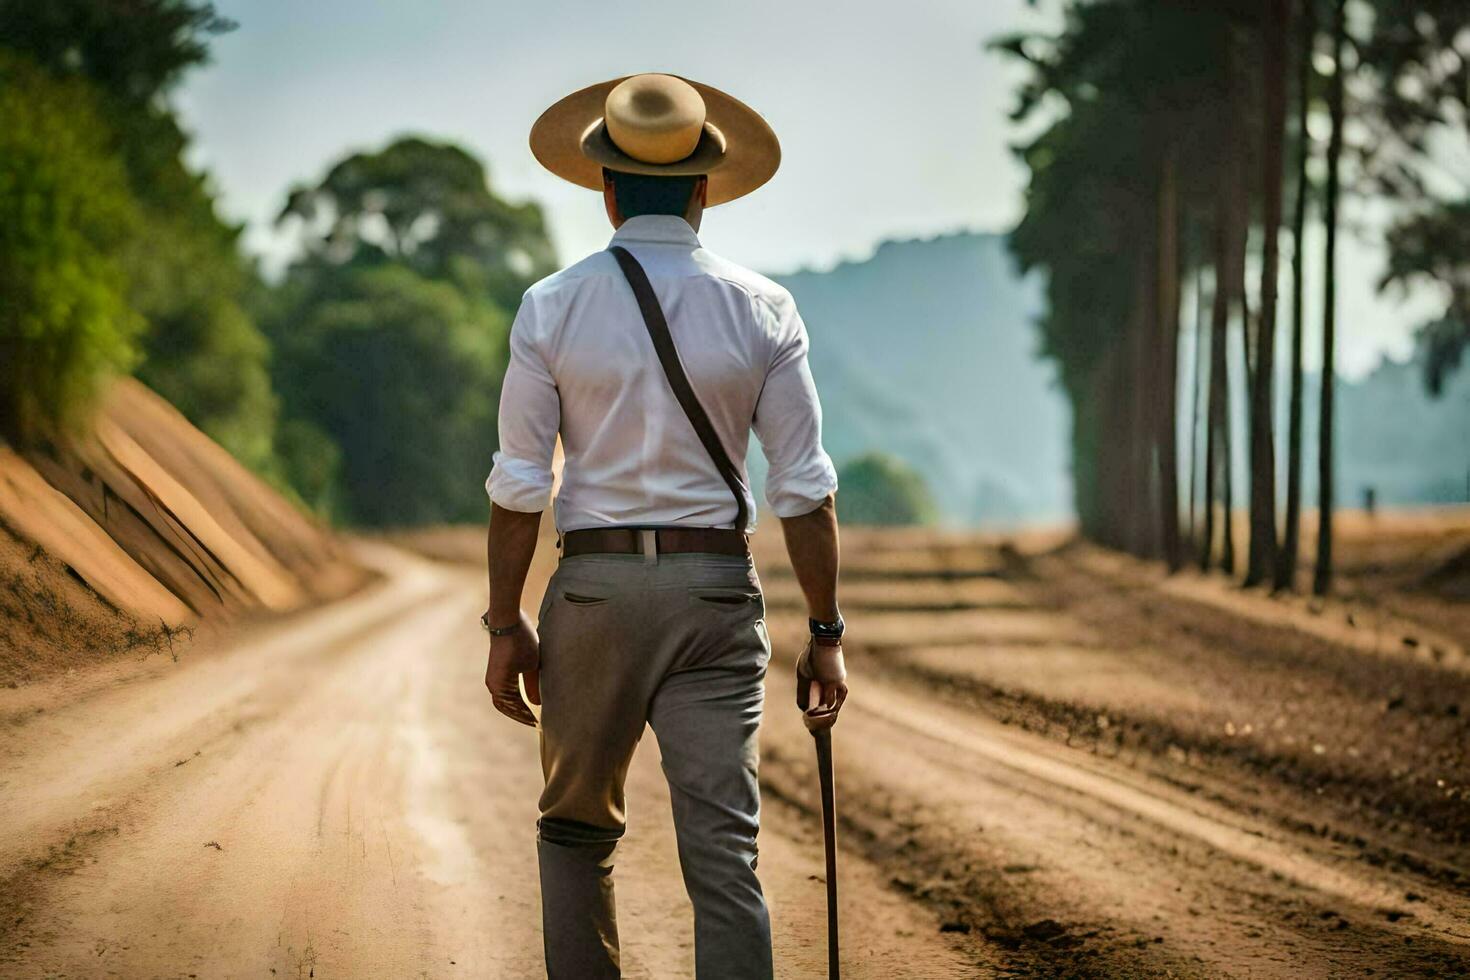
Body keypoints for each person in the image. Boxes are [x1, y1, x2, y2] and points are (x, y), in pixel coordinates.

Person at [481, 72, 848, 979]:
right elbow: (803, 490)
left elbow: (521, 484)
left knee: (573, 833)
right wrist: (827, 633)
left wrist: (504, 623)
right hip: (716, 596)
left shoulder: (550, 306)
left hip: (596, 594)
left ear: (604, 189)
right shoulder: (765, 308)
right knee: (726, 855)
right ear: (704, 189)